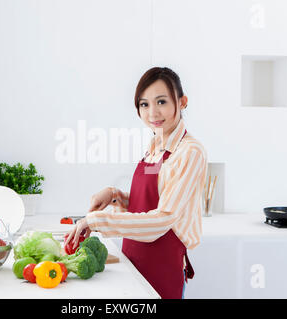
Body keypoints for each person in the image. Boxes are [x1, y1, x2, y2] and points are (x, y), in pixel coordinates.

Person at [64, 67, 208, 299]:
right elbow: (150, 201)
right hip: (134, 259)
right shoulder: (155, 146)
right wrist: (116, 196)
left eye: (161, 102)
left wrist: (96, 220)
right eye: (144, 104)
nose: (153, 113)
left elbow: (162, 220)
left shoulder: (190, 152)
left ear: (182, 102)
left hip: (162, 266)